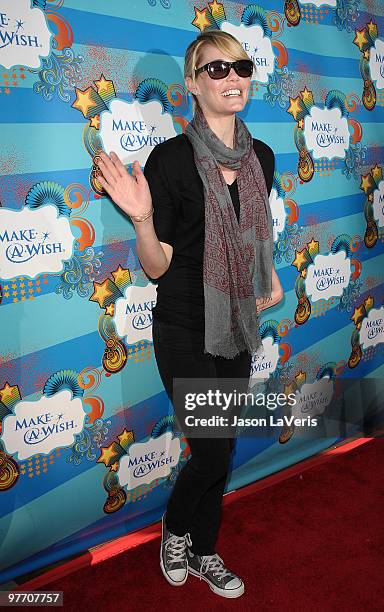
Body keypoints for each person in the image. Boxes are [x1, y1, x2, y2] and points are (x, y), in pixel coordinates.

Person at [96, 29, 283, 599]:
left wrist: (268, 279)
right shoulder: (172, 160)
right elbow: (155, 267)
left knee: (221, 449)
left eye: (241, 67)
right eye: (216, 70)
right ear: (192, 85)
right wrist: (142, 219)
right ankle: (175, 528)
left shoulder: (262, 157)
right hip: (184, 323)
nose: (233, 79)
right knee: (212, 448)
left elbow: (256, 235)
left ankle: (204, 551)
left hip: (238, 324)